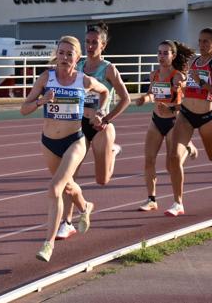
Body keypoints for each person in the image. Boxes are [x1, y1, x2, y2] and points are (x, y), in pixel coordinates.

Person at [20, 36, 109, 262]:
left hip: (74, 141)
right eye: (61, 53)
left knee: (56, 188)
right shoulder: (46, 78)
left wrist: (101, 111)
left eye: (70, 54)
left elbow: (105, 92)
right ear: (56, 55)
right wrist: (42, 101)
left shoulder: (84, 80)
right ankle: (85, 205)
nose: (65, 58)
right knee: (68, 186)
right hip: (49, 143)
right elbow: (24, 108)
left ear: (77, 58)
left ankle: (48, 244)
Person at [55, 22, 131, 240]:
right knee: (70, 177)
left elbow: (125, 99)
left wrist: (105, 118)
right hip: (78, 127)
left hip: (100, 128)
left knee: (102, 180)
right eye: (87, 42)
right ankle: (67, 222)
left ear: (103, 45)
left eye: (94, 42)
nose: (89, 46)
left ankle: (112, 151)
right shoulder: (76, 66)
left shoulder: (108, 69)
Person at [166, 27, 212, 216]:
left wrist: (202, 83)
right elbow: (191, 85)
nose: (202, 45)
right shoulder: (194, 61)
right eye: (200, 41)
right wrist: (182, 84)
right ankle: (178, 202)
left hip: (206, 117)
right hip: (186, 114)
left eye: (206, 41)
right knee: (173, 156)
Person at [136, 40, 198, 212]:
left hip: (174, 122)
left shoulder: (178, 76)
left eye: (165, 53)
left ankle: (178, 203)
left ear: (173, 55)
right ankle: (151, 199)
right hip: (156, 120)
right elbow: (151, 94)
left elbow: (189, 103)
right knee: (149, 160)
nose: (161, 57)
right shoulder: (154, 75)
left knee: (171, 164)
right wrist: (144, 99)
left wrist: (172, 105)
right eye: (159, 53)